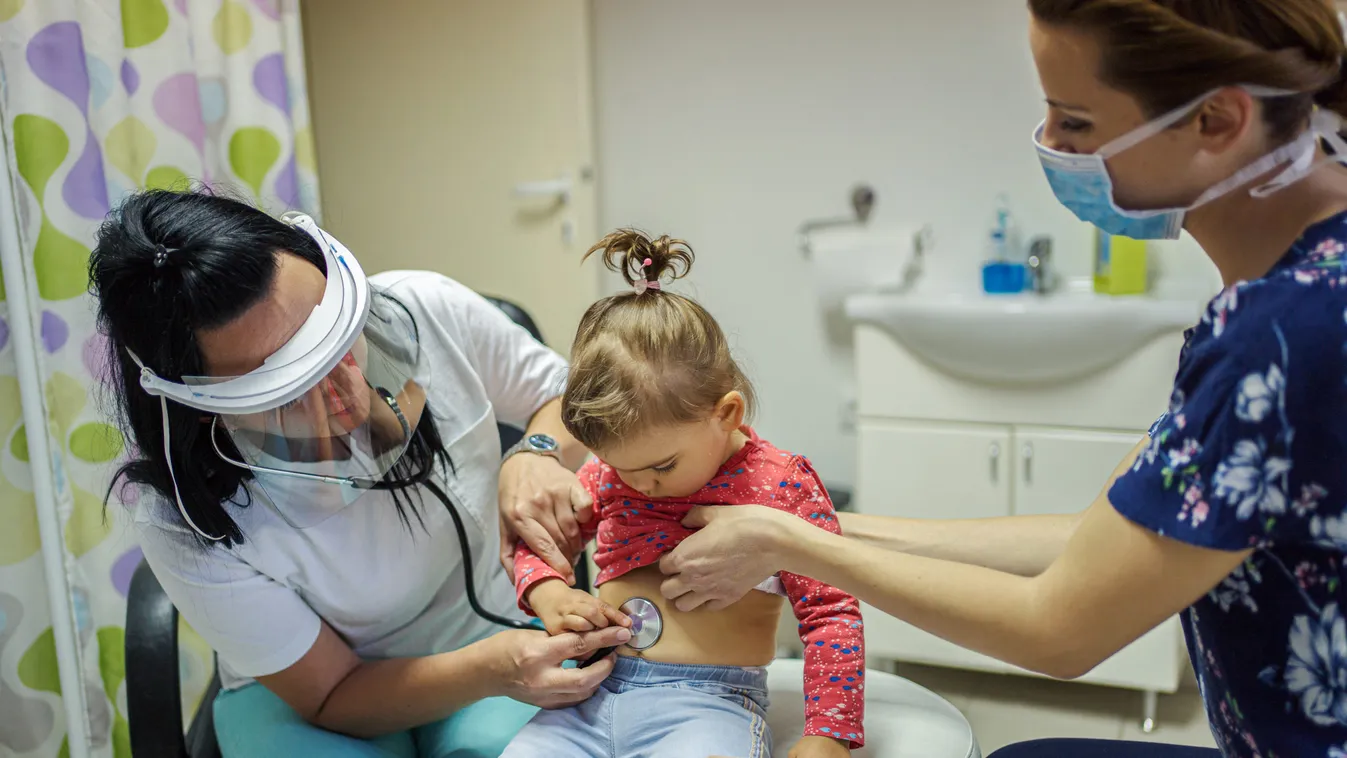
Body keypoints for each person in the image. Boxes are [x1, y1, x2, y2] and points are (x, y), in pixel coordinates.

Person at [655, 1, 1347, 756]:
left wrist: (791, 544)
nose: (1049, 146)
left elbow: (1058, 628)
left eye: (1075, 123)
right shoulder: (1296, 285)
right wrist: (805, 522)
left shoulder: (1281, 336)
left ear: (1216, 121)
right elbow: (1098, 540)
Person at [91, 188, 630, 758]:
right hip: (325, 694)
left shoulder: (428, 310)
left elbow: (572, 397)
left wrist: (537, 450)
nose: (343, 385)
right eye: (291, 386)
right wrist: (492, 669)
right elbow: (330, 693)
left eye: (335, 335)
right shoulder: (180, 516)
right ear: (202, 402)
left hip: (495, 630)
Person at [498, 230, 865, 758]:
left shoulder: (779, 484)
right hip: (588, 697)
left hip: (708, 706)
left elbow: (832, 612)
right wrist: (548, 594)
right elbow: (539, 541)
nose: (640, 484)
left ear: (727, 414)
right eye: (624, 470)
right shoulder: (611, 473)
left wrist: (828, 735)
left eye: (661, 467)